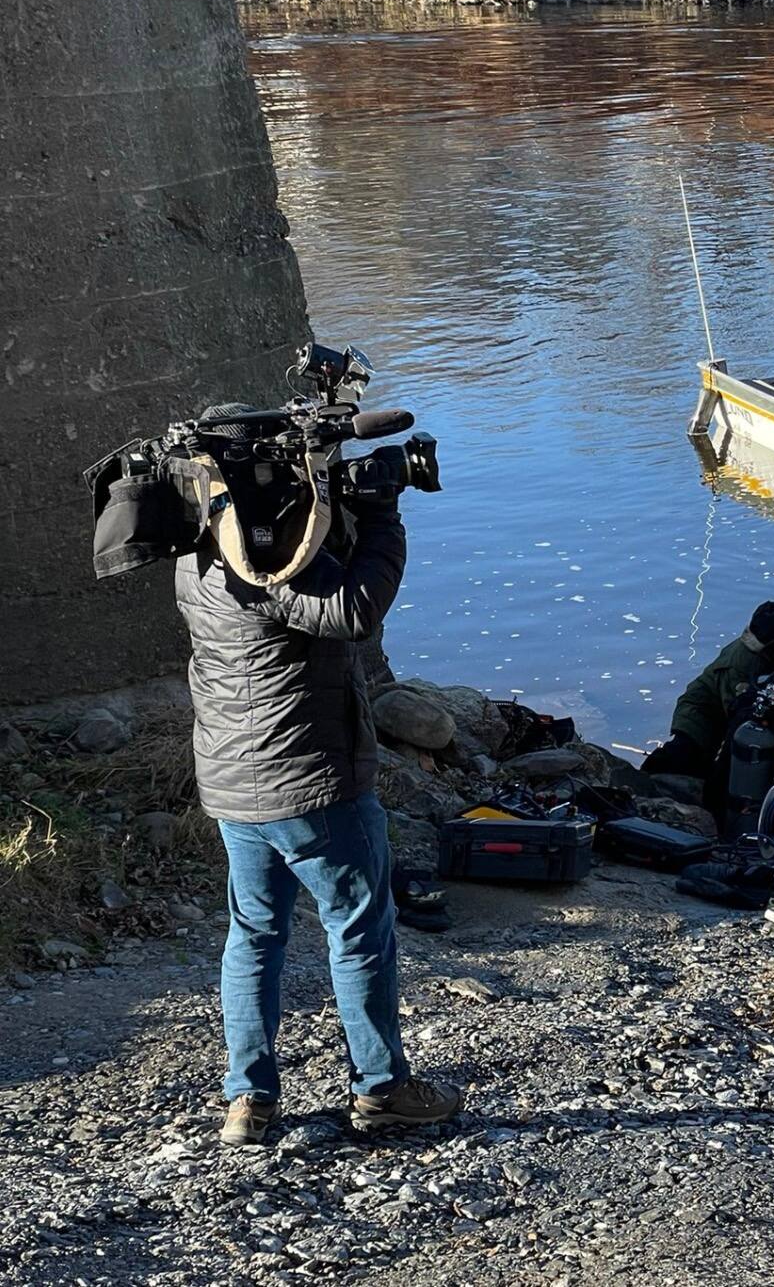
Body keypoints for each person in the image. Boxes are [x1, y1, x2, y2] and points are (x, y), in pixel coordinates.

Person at [173, 429, 462, 1148]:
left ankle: (249, 1100)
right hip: (313, 786)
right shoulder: (274, 564)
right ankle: (383, 1089)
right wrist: (384, 514)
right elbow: (354, 610)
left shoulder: (196, 557)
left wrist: (333, 509)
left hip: (234, 786)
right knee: (359, 930)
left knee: (253, 936)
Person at [643, 601, 774, 786]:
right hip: (702, 712)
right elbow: (737, 715)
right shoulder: (745, 664)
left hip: (726, 701)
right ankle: (643, 781)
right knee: (685, 756)